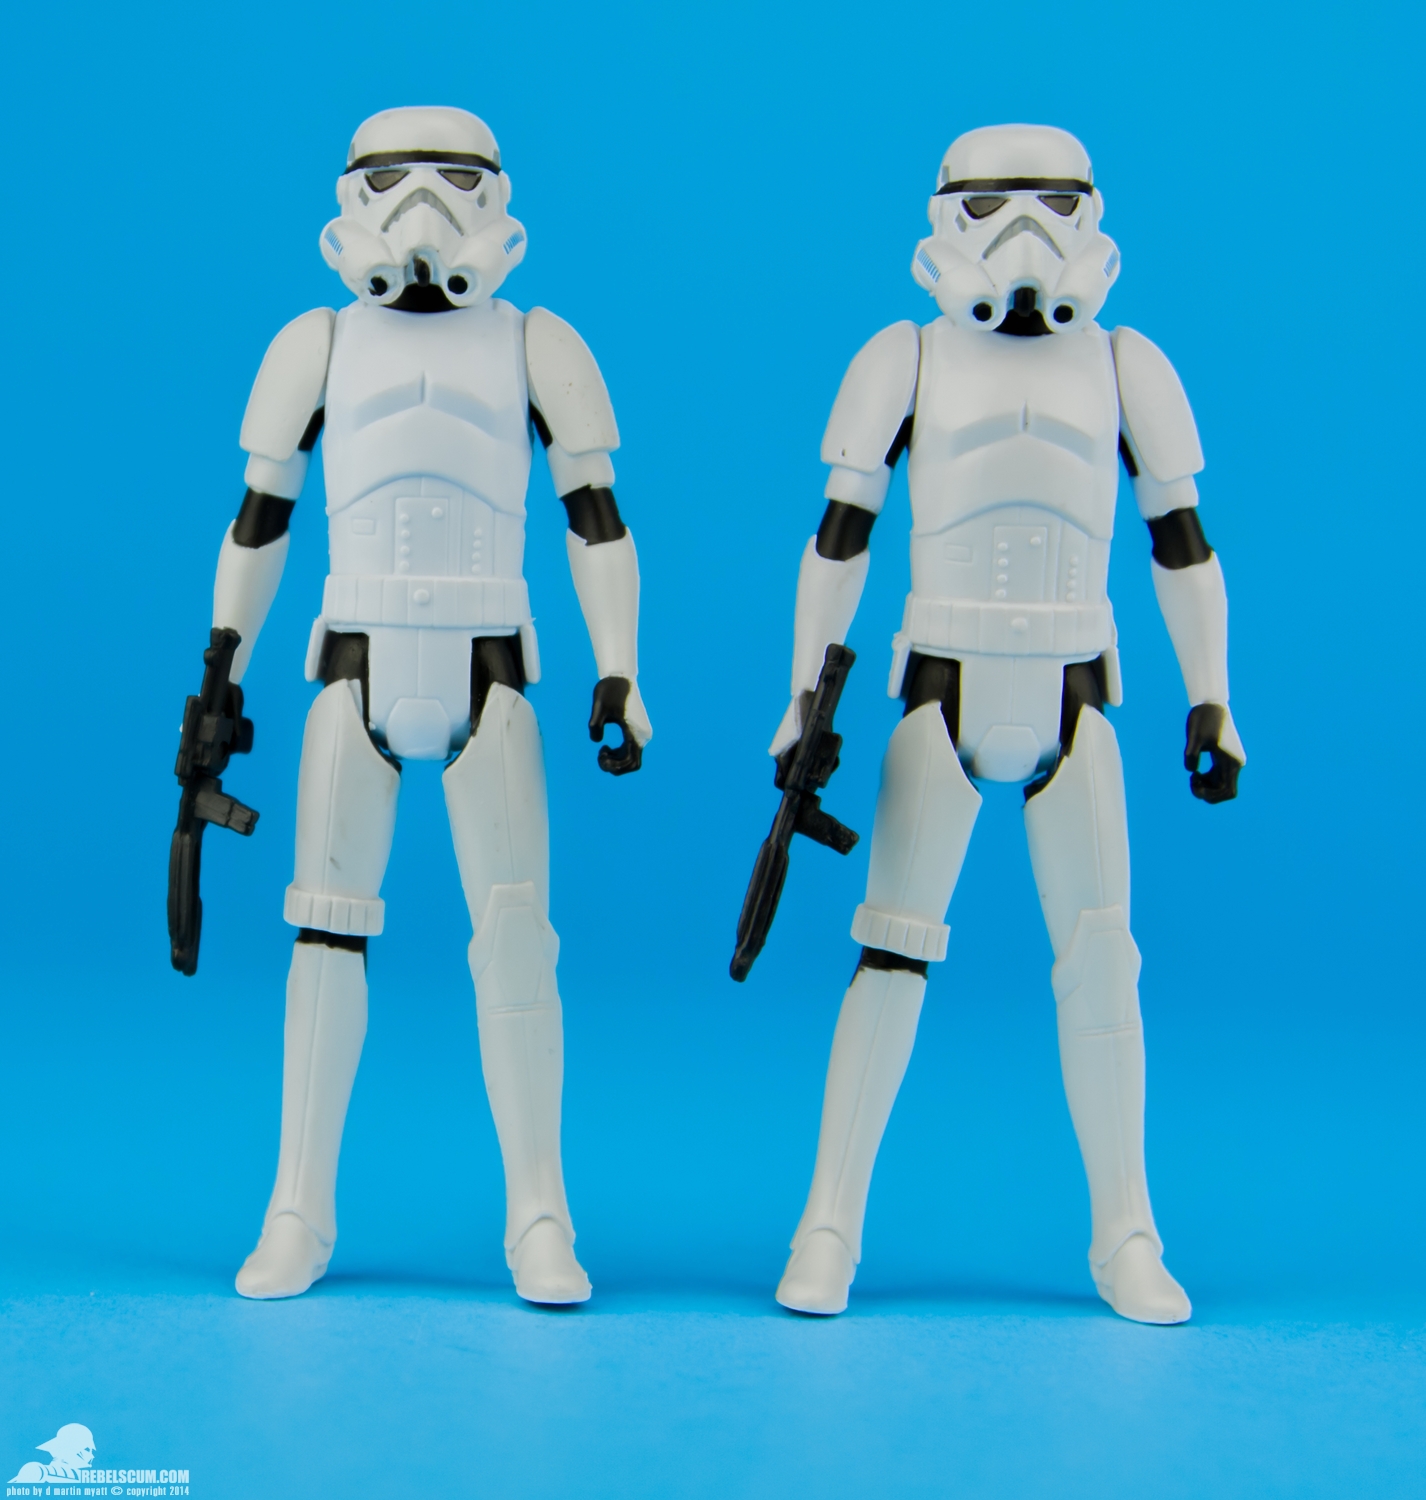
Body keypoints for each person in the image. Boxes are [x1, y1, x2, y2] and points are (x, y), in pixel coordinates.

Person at [770, 124, 1242, 1323]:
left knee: (1102, 960)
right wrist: (800, 697)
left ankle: (1126, 1235)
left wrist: (1212, 693)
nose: (1023, 233)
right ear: (943, 221)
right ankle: (827, 1228)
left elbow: (1182, 544)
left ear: (1093, 219)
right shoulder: (906, 358)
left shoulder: (1127, 364)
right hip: (941, 686)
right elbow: (838, 540)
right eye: (991, 206)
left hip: (1076, 693)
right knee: (890, 954)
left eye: (1051, 205)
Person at [197, 106, 650, 1303]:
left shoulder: (536, 343)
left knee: (517, 936)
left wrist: (619, 665)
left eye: (453, 180)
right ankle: (297, 1209)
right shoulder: (317, 344)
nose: (423, 209)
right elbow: (258, 521)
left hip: (490, 665)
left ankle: (539, 1214)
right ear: (348, 204)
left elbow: (597, 520)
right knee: (324, 932)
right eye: (394, 181)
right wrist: (223, 668)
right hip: (353, 661)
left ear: (498, 204)